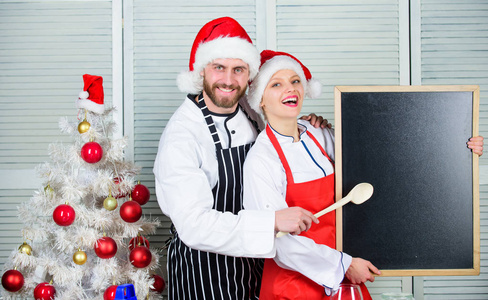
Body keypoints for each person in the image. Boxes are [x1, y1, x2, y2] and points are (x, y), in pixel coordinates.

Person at [153, 17, 328, 300]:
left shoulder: (249, 108)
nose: (228, 80)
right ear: (201, 72)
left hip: (258, 265)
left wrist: (308, 123)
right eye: (218, 67)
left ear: (249, 75)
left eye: (238, 70)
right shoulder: (182, 135)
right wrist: (271, 222)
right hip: (204, 272)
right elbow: (194, 225)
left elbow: (280, 124)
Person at [243, 50, 382, 299]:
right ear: (260, 99)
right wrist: (344, 265)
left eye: (296, 81)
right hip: (293, 284)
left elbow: (372, 162)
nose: (291, 89)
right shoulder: (261, 159)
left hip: (342, 274)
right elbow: (277, 242)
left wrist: (462, 150)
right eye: (277, 84)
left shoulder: (320, 133)